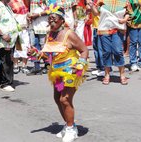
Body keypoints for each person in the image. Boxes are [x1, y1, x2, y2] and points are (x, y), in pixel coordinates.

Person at [41, 5, 88, 142]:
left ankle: (70, 130)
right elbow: (48, 57)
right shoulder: (49, 35)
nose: (51, 21)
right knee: (58, 98)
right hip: (57, 73)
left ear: (62, 20)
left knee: (65, 99)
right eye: (49, 19)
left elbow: (84, 50)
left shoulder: (69, 34)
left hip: (71, 72)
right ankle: (70, 125)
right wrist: (37, 54)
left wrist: (80, 66)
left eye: (54, 19)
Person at [88, 0, 129, 85]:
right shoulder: (102, 1)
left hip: (118, 28)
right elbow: (96, 13)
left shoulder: (125, 1)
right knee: (106, 52)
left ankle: (122, 74)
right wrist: (92, 6)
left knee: (118, 51)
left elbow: (129, 12)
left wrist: (125, 19)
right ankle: (107, 74)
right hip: (104, 28)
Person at [8, 0, 30, 74]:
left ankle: (24, 66)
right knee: (17, 48)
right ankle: (15, 65)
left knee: (26, 47)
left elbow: (28, 13)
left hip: (25, 29)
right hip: (16, 29)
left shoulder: (25, 2)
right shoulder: (10, 2)